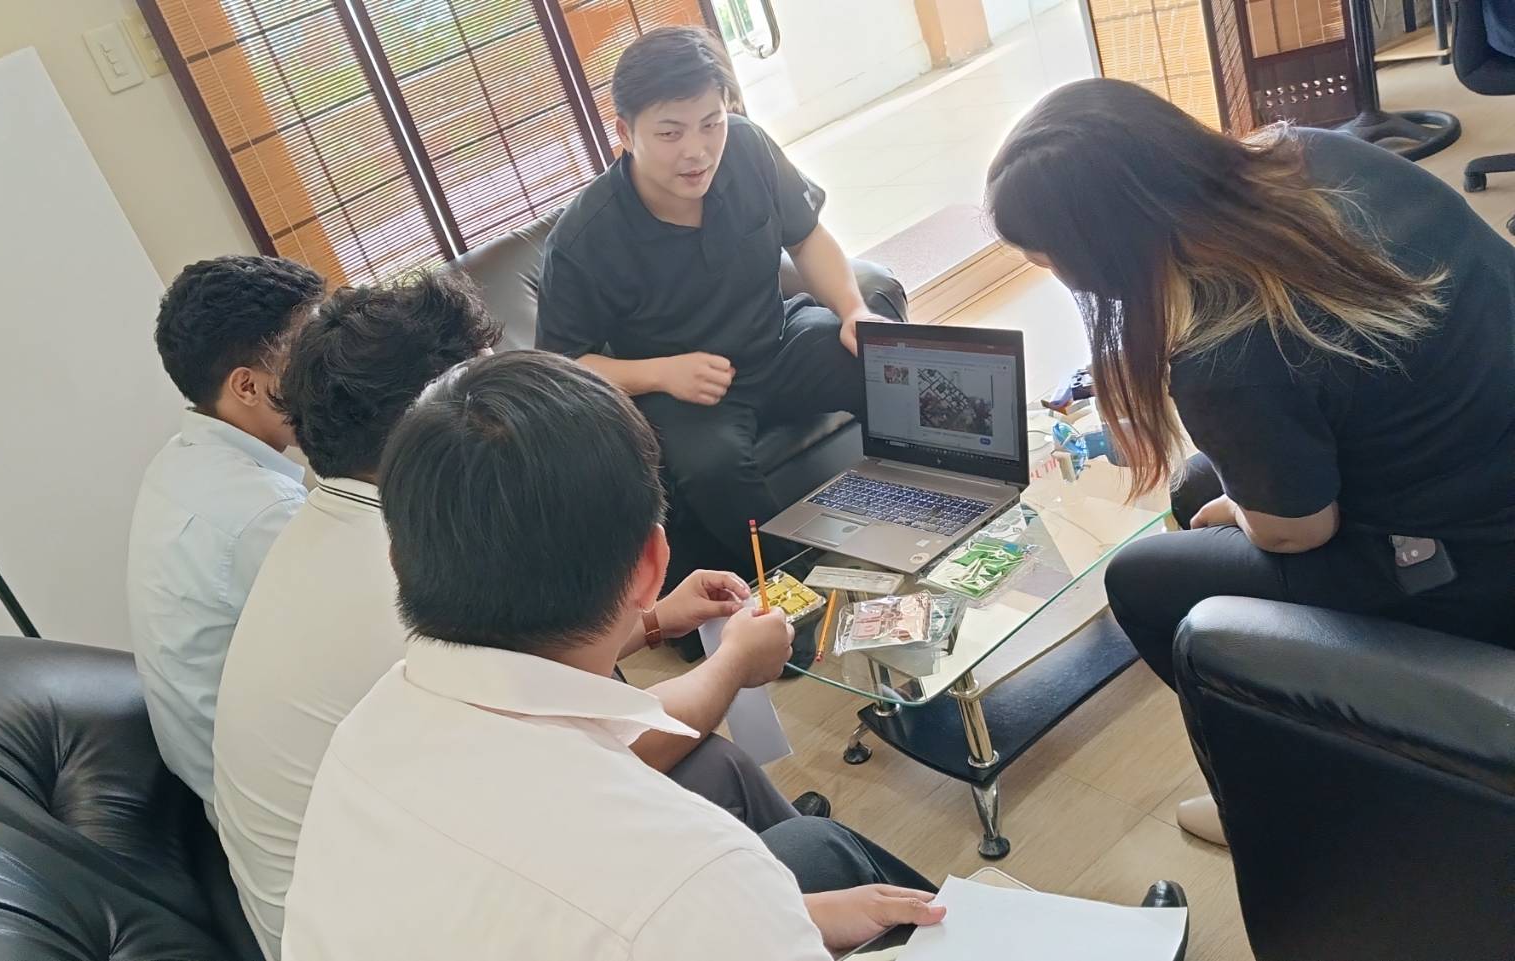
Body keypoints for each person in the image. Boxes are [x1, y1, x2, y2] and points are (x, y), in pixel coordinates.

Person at [215, 273, 816, 960]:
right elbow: (601, 754)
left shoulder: (349, 548)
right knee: (763, 826)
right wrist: (733, 662)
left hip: (365, 885)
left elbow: (522, 676)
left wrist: (651, 621)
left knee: (738, 789)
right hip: (455, 892)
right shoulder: (402, 587)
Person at [985, 79, 1515, 845]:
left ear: (1104, 249)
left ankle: (1275, 805)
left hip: (1476, 556)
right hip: (1482, 439)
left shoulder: (1224, 349)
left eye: (1047, 258)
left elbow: (1300, 531)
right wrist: (1243, 500)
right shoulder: (1313, 151)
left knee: (1142, 579)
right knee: (1198, 486)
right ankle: (1313, 717)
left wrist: (1250, 510)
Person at [282, 351, 946, 961]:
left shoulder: (362, 735)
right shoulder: (691, 877)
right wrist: (767, 918)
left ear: (398, 560)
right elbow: (668, 904)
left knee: (801, 836)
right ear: (653, 563)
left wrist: (788, 917)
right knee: (857, 869)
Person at [535, 26, 900, 558]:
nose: (697, 151)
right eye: (670, 133)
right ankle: (795, 587)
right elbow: (564, 365)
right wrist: (661, 373)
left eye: (711, 123)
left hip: (779, 339)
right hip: (688, 393)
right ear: (625, 133)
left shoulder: (748, 146)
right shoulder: (584, 239)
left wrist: (853, 309)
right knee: (712, 467)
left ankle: (936, 517)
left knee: (886, 366)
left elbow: (806, 237)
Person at [126, 255, 324, 808]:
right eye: (310, 356)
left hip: (225, 778)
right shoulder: (263, 514)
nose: (330, 370)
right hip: (285, 805)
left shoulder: (182, 460)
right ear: (247, 386)